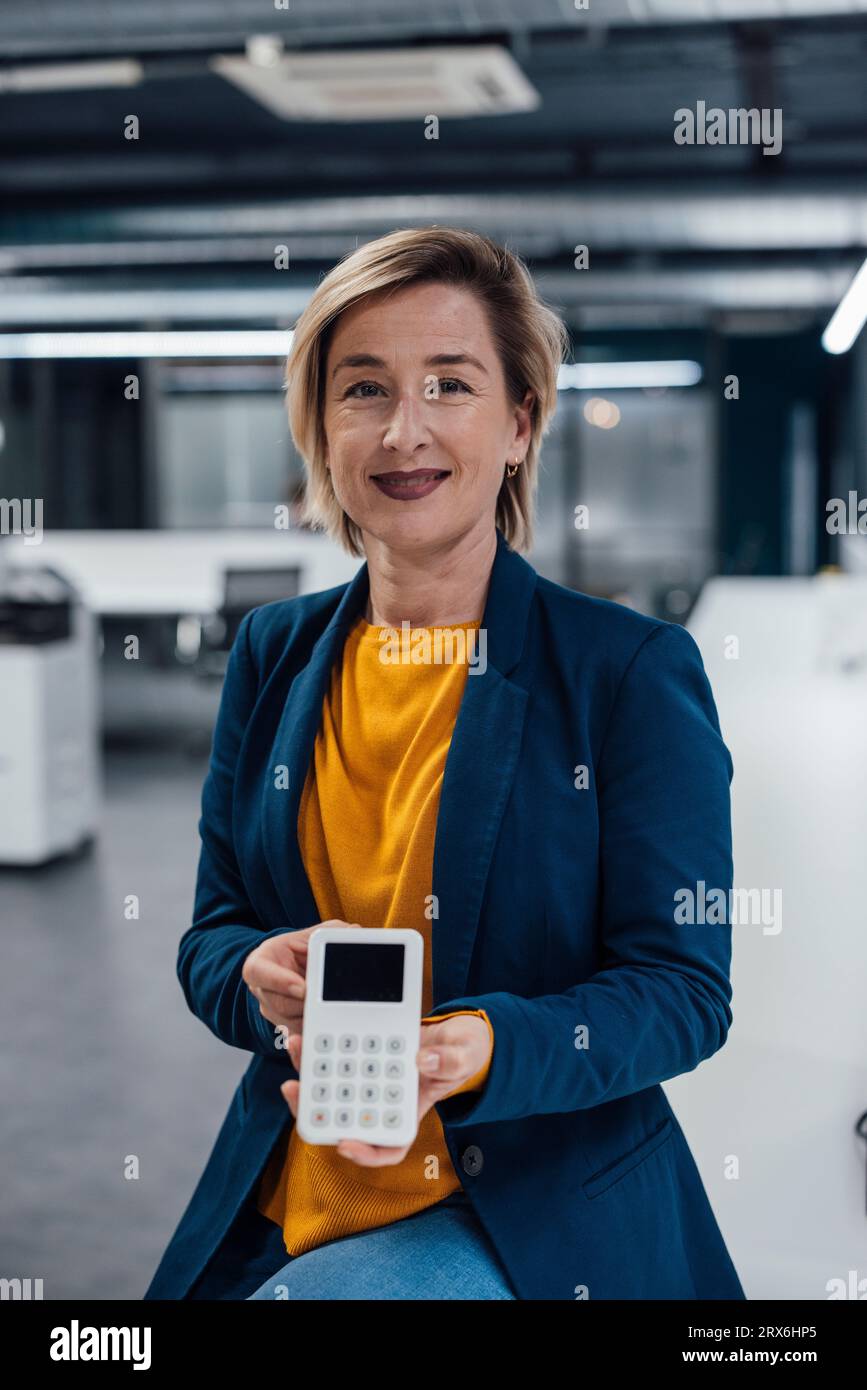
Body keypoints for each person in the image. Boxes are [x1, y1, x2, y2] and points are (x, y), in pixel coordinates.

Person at [144, 226, 746, 1301]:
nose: (403, 429)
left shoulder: (626, 672)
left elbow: (684, 992)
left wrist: (478, 1047)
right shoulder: (275, 655)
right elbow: (212, 928)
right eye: (363, 388)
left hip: (517, 1205)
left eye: (450, 385)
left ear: (519, 424)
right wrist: (251, 972)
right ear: (321, 431)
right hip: (290, 1184)